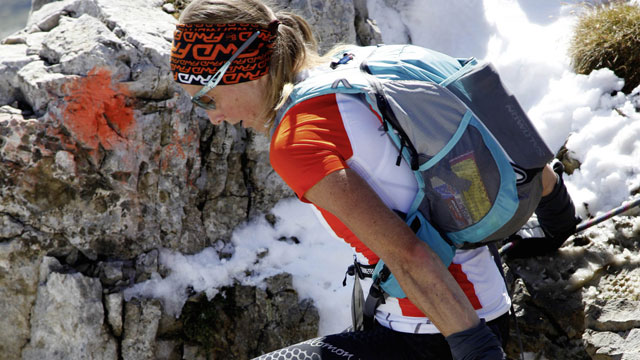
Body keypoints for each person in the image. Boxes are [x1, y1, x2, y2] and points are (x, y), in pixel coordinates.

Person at [169, 0, 579, 358]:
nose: (213, 116)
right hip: (482, 310)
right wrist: (559, 219)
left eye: (206, 97)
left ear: (241, 70)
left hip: (437, 334)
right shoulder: (361, 68)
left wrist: (478, 352)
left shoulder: (297, 141)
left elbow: (410, 256)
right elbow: (504, 148)